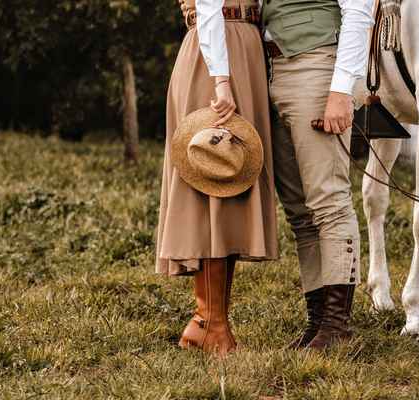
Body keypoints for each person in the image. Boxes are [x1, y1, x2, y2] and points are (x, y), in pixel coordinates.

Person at [155, 0, 277, 356]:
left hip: (242, 48)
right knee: (210, 177)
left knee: (232, 179)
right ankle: (209, 322)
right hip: (217, 55)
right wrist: (221, 79)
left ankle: (209, 321)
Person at [263, 0, 375, 350]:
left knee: (329, 201)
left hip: (317, 68)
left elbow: (358, 9)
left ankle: (337, 326)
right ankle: (317, 322)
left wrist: (342, 89)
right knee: (299, 210)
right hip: (274, 68)